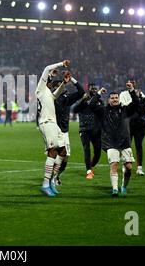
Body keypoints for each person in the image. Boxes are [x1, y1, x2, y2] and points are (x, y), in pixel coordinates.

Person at [89, 82, 139, 197]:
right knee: (114, 165)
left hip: (125, 143)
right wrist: (98, 93)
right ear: (109, 100)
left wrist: (132, 90)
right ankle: (115, 189)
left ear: (119, 99)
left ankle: (124, 186)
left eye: (116, 98)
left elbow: (136, 104)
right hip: (110, 143)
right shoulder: (103, 111)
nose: (115, 100)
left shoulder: (125, 110)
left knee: (129, 168)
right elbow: (91, 105)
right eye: (112, 98)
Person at [35, 60, 70, 197]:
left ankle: (51, 180)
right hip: (46, 122)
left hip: (54, 124)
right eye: (50, 77)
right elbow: (46, 67)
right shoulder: (40, 88)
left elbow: (55, 95)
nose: (51, 78)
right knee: (53, 151)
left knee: (63, 151)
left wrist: (64, 83)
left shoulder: (48, 92)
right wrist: (61, 64)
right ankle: (45, 184)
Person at [52, 71, 84, 185]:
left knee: (65, 159)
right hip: (53, 131)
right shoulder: (51, 99)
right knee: (54, 156)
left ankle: (56, 176)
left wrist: (72, 79)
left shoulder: (67, 98)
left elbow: (81, 92)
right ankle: (51, 178)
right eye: (61, 85)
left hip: (64, 132)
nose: (64, 87)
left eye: (64, 85)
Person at [121, 80, 145, 176]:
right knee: (126, 146)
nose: (131, 84)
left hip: (140, 125)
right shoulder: (123, 94)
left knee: (139, 146)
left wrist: (138, 99)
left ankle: (139, 168)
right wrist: (136, 100)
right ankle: (125, 165)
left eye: (133, 82)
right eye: (129, 82)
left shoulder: (141, 94)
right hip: (128, 124)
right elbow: (126, 107)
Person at [73, 83, 102, 179]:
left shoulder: (99, 101)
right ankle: (88, 171)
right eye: (92, 88)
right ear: (88, 89)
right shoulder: (84, 100)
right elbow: (74, 109)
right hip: (84, 129)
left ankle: (91, 166)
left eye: (95, 89)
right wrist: (83, 100)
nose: (94, 90)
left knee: (98, 152)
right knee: (87, 149)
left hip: (96, 130)